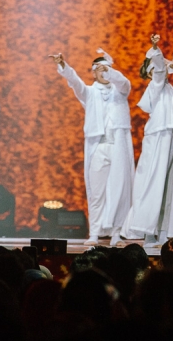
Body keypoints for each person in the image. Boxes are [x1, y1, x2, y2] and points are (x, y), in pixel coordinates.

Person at [52, 49, 134, 246]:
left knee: (119, 190)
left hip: (118, 146)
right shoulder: (89, 93)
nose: (103, 73)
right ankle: (95, 233)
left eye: (106, 69)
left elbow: (124, 82)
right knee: (96, 192)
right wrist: (64, 66)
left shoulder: (120, 91)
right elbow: (75, 83)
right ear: (93, 72)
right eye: (99, 69)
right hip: (98, 147)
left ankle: (116, 233)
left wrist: (110, 71)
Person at [120, 35, 173, 246]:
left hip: (172, 135)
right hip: (159, 136)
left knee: (171, 182)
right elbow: (161, 70)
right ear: (152, 71)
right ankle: (147, 231)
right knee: (153, 181)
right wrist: (155, 48)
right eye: (158, 68)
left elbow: (165, 69)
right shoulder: (155, 85)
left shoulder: (169, 89)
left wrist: (169, 64)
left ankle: (164, 230)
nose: (163, 70)